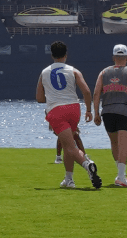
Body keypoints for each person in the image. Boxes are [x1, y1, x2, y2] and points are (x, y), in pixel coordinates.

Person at [36, 41, 102, 189]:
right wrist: (89, 110)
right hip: (74, 109)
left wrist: (53, 98)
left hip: (56, 110)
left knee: (70, 147)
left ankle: (88, 164)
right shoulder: (74, 71)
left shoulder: (44, 72)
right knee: (68, 145)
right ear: (66, 55)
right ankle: (69, 179)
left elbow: (39, 98)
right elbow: (86, 91)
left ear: (52, 55)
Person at [92, 44, 127, 187]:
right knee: (123, 145)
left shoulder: (103, 72)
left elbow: (96, 94)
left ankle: (120, 174)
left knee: (114, 143)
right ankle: (121, 176)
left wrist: (96, 113)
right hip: (124, 111)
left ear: (113, 57)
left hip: (107, 112)